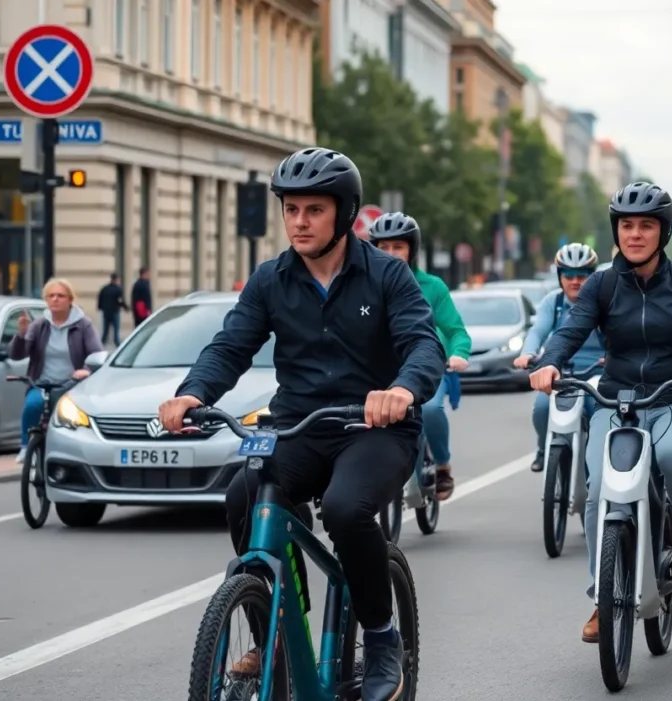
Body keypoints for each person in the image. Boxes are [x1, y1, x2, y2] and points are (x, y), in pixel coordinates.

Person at [156, 147, 445, 701]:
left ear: (342, 212)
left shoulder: (387, 276)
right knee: (245, 494)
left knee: (344, 508)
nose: (300, 221)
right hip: (301, 425)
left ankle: (381, 638)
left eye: (314, 209)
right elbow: (231, 345)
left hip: (376, 429)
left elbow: (422, 344)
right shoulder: (271, 280)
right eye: (291, 209)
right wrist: (191, 393)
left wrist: (402, 390)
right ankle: (276, 628)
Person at [528, 181, 672, 643]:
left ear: (662, 232)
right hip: (616, 401)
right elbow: (570, 331)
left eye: (646, 225)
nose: (636, 234)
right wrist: (548, 363)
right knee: (599, 489)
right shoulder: (602, 284)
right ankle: (603, 602)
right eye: (627, 225)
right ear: (617, 231)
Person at [367, 210, 471, 501]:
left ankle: (442, 465)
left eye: (398, 246)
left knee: (431, 410)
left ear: (412, 250)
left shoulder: (433, 287)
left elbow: (454, 330)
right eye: (383, 247)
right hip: (379, 370)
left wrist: (458, 353)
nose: (390, 254)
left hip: (425, 368)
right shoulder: (361, 285)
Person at [514, 242, 604, 473]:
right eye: (569, 275)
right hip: (560, 371)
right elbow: (538, 332)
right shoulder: (551, 303)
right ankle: (544, 448)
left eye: (582, 276)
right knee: (542, 407)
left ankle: (597, 457)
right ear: (560, 276)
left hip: (598, 372)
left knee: (597, 408)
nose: (575, 281)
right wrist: (528, 354)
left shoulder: (604, 301)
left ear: (592, 277)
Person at [8, 278, 102, 463]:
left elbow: (97, 354)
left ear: (70, 300)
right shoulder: (40, 325)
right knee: (32, 406)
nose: (55, 299)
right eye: (51, 296)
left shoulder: (83, 325)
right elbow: (18, 354)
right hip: (42, 384)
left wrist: (85, 370)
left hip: (71, 386)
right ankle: (26, 447)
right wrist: (21, 334)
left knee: (70, 419)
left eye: (60, 295)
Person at [97, 273, 128, 346]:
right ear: (116, 279)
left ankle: (100, 346)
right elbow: (120, 301)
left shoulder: (104, 289)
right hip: (114, 312)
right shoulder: (118, 289)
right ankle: (118, 346)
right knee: (116, 333)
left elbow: (100, 300)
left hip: (106, 313)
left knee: (105, 332)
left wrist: (101, 308)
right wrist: (126, 308)